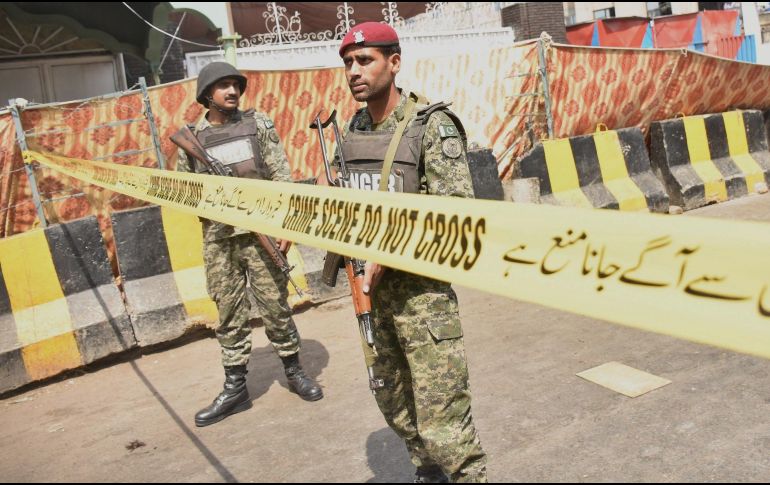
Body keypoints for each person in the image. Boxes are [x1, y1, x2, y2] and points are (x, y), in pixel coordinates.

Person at [335, 23, 487, 483]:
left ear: (394, 63)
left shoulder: (431, 125)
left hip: (422, 300)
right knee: (395, 404)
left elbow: (457, 215)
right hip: (372, 298)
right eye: (347, 64)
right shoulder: (354, 128)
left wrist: (392, 251)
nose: (354, 72)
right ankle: (428, 473)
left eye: (365, 61)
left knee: (444, 423)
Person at [176, 61, 323, 428]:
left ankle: (294, 370)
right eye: (223, 86)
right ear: (206, 94)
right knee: (228, 312)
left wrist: (287, 228)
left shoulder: (258, 125)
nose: (232, 92)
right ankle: (235, 388)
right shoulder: (192, 138)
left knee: (276, 306)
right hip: (220, 239)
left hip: (263, 235)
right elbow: (183, 191)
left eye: (235, 85)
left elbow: (281, 176)